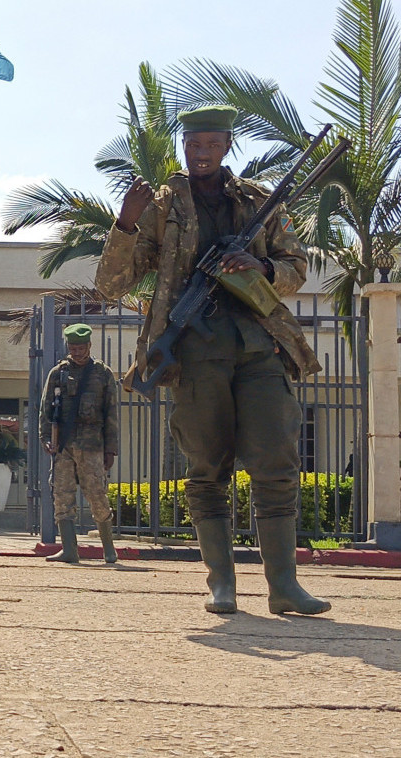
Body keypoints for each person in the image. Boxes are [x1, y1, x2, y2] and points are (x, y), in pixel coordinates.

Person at [96, 105, 330, 615]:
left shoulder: (259, 202)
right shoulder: (163, 206)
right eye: (192, 145)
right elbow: (113, 283)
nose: (200, 154)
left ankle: (283, 587)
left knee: (275, 461)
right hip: (195, 354)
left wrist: (261, 264)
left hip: (259, 345)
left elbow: (295, 269)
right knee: (206, 469)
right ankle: (221, 584)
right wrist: (125, 225)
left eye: (210, 145)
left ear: (227, 146)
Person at [39, 323, 119, 564]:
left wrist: (110, 449)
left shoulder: (103, 374)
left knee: (97, 494)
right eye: (72, 347)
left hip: (92, 444)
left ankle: (108, 549)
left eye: (80, 347)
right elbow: (45, 409)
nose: (76, 351)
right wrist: (45, 437)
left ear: (89, 346)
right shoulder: (58, 373)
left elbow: (111, 413)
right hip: (64, 444)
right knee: (62, 495)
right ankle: (69, 550)